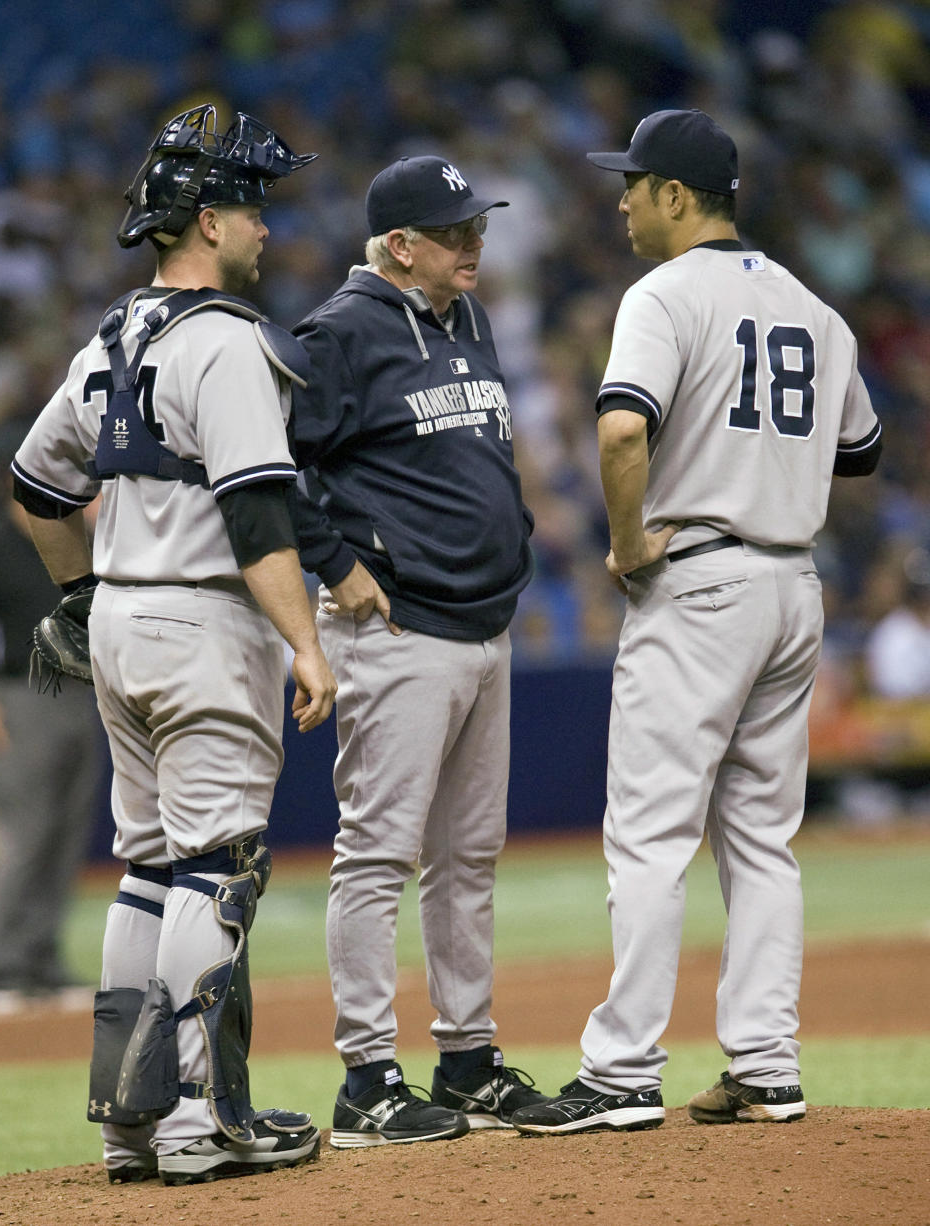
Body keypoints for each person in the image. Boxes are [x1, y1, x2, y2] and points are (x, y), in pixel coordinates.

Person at [510, 109, 882, 1136]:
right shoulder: (820, 309)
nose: (622, 199)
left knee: (650, 832)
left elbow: (624, 427)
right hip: (792, 585)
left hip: (702, 576)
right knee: (764, 839)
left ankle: (623, 1065)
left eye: (634, 184)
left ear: (677, 196)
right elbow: (862, 450)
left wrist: (627, 545)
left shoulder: (663, 292)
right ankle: (765, 1061)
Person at [10, 104, 336, 1185]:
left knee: (148, 868)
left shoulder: (110, 335)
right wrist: (307, 642)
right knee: (219, 864)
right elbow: (255, 514)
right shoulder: (229, 343)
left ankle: (126, 1121)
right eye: (251, 203)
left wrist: (82, 592)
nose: (264, 227)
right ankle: (203, 1118)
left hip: (120, 624)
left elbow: (33, 485)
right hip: (204, 619)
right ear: (206, 217)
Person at [290, 154, 547, 1146]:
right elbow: (275, 463)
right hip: (396, 627)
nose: (474, 243)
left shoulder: (468, 320)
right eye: (455, 232)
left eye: (477, 226)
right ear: (400, 245)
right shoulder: (338, 333)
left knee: (469, 854)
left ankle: (469, 1060)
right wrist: (335, 563)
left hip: (487, 620)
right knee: (378, 851)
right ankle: (366, 1078)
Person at [0, 425, 99, 1012]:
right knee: (25, 833)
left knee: (66, 830)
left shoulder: (80, 540)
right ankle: (4, 967)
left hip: (80, 693)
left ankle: (42, 961)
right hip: (16, 695)